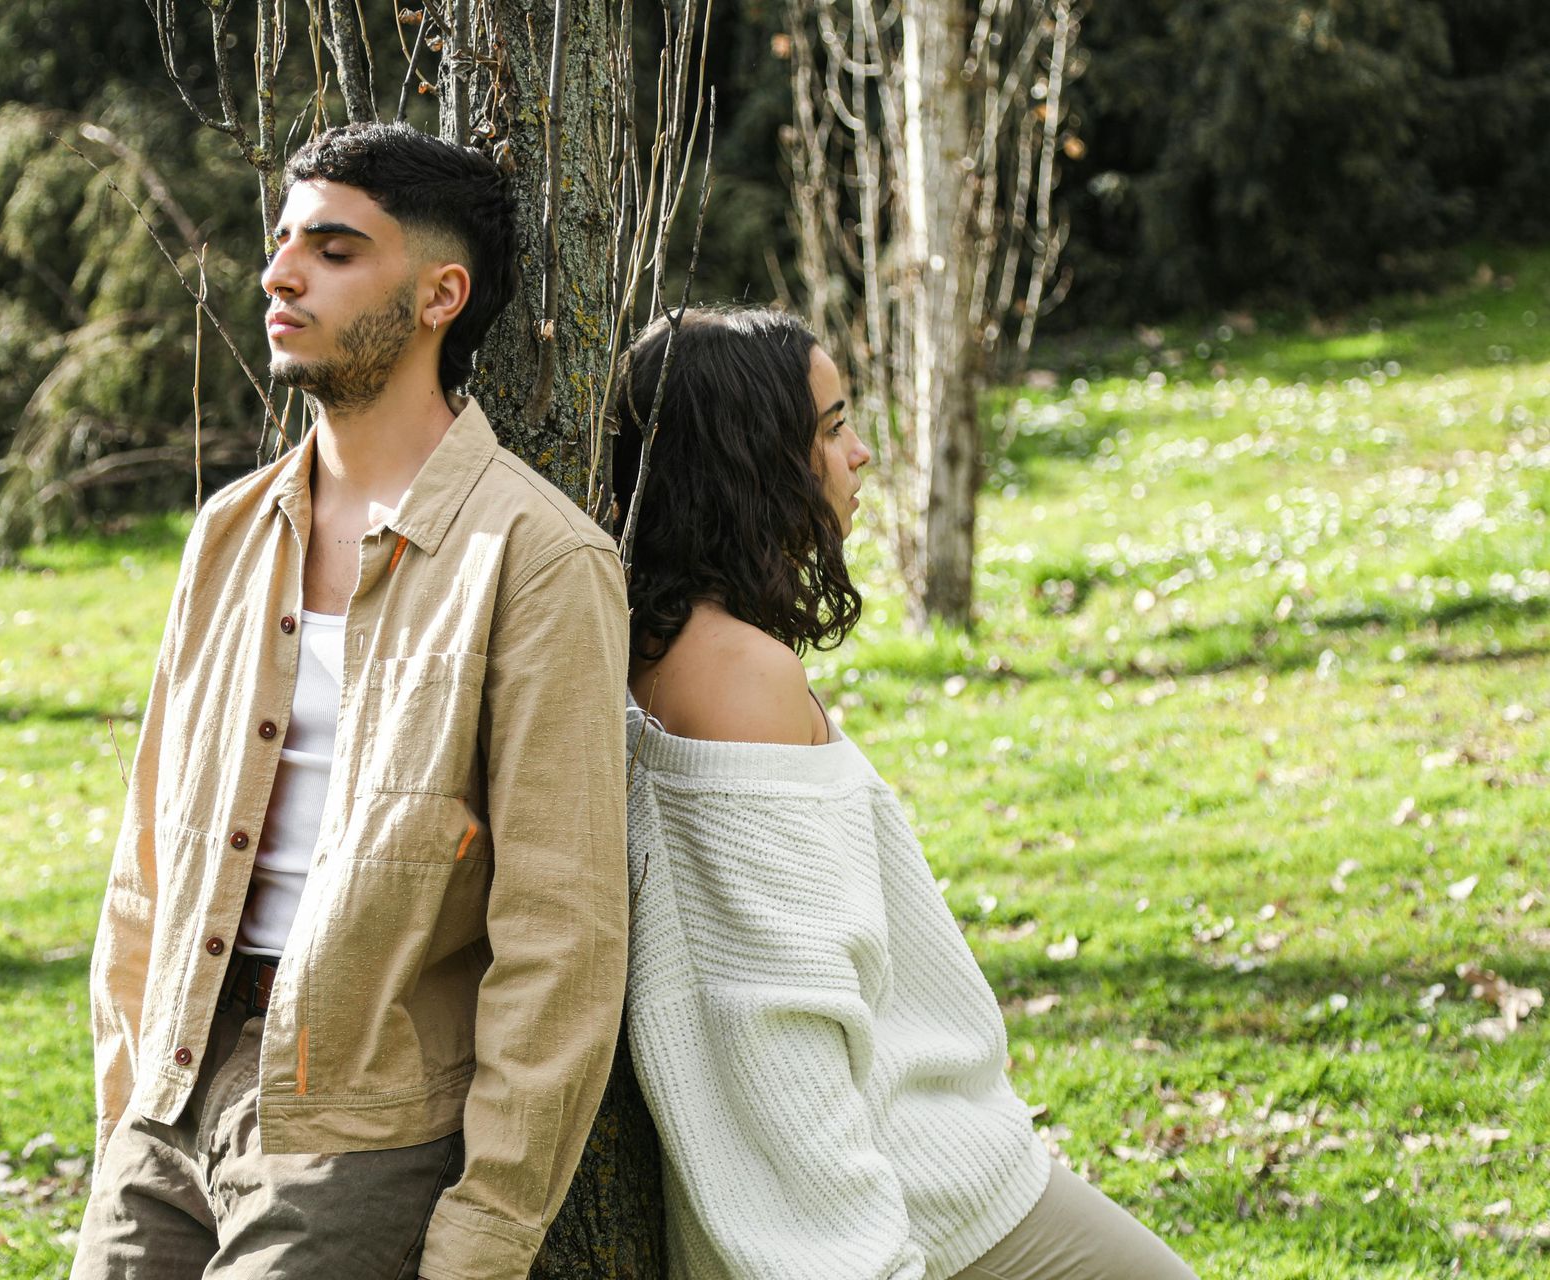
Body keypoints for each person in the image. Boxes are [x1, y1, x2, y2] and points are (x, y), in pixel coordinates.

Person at [72, 123, 630, 1280]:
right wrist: (126, 1099)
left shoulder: (537, 558)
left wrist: (488, 1226)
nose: (279, 274)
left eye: (333, 250)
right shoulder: (229, 532)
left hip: (359, 1123)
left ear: (440, 294)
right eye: (283, 243)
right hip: (169, 1091)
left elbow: (562, 931)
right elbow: (148, 855)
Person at [611, 307, 1196, 1280]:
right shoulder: (732, 677)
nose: (862, 453)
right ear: (755, 458)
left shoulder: (679, 650)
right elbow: (775, 1016)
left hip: (942, 1155)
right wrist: (860, 1254)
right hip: (918, 1187)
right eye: (832, 427)